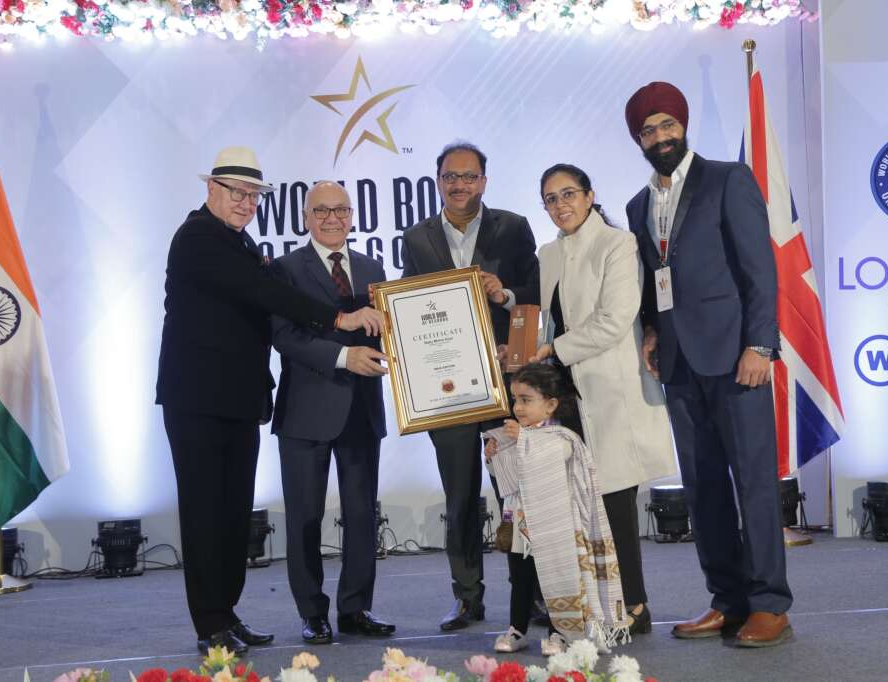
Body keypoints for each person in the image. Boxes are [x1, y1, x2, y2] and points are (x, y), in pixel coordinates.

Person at [155, 148, 383, 655]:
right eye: (237, 193)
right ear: (211, 189)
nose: (246, 203)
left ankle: (226, 614)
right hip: (198, 399)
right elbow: (267, 296)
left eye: (253, 196)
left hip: (238, 400)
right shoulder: (197, 237)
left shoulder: (240, 241)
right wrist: (338, 319)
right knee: (205, 514)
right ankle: (210, 624)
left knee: (233, 514)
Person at [624, 82, 793, 647]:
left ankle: (769, 604)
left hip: (736, 356)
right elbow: (654, 279)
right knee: (703, 488)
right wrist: (652, 328)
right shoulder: (638, 205)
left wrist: (760, 345)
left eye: (668, 125)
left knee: (754, 482)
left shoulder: (727, 179)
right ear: (638, 140)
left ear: (684, 126)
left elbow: (759, 268)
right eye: (649, 130)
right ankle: (727, 600)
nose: (660, 137)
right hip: (678, 364)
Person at [529, 164, 677, 635]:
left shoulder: (619, 244)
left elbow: (615, 320)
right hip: (563, 394)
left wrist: (554, 349)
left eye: (569, 193)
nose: (561, 205)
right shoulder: (548, 253)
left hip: (610, 390)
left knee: (614, 502)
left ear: (590, 196)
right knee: (575, 504)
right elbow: (544, 318)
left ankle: (634, 605)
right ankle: (591, 603)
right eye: (551, 199)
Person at [401, 141, 540, 630]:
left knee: (516, 494)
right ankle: (467, 597)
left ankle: (531, 595)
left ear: (484, 180)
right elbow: (408, 307)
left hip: (506, 381)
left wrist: (505, 293)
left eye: (469, 176)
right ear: (438, 181)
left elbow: (535, 296)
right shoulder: (416, 239)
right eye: (450, 176)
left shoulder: (514, 227)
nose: (459, 185)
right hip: (448, 388)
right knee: (459, 496)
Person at [270, 181, 395, 645]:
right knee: (304, 518)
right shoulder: (284, 270)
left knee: (362, 516)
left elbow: (391, 329)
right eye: (321, 210)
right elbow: (284, 336)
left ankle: (356, 608)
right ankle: (312, 612)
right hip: (305, 412)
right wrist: (343, 357)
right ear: (306, 217)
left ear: (352, 215)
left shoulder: (372, 268)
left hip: (362, 410)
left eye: (341, 210)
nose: (332, 219)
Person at [484, 363, 629, 656]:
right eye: (515, 399)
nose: (518, 407)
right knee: (520, 578)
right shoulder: (516, 435)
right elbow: (507, 479)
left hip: (555, 527)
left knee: (556, 578)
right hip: (521, 524)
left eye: (526, 400)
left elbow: (549, 458)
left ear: (550, 405)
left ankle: (559, 633)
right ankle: (517, 629)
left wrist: (522, 440)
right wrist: (493, 456)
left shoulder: (562, 438)